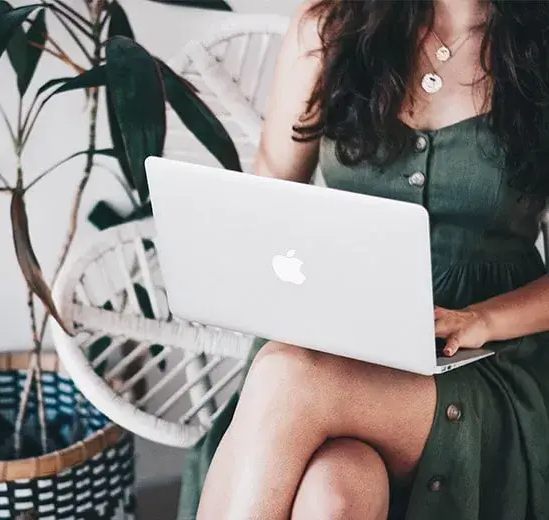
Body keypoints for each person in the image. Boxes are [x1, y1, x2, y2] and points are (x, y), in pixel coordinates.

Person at [177, 0, 549, 518]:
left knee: (287, 375)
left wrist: (483, 318)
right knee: (335, 494)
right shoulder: (330, 28)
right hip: (338, 335)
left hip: (490, 357)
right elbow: (268, 200)